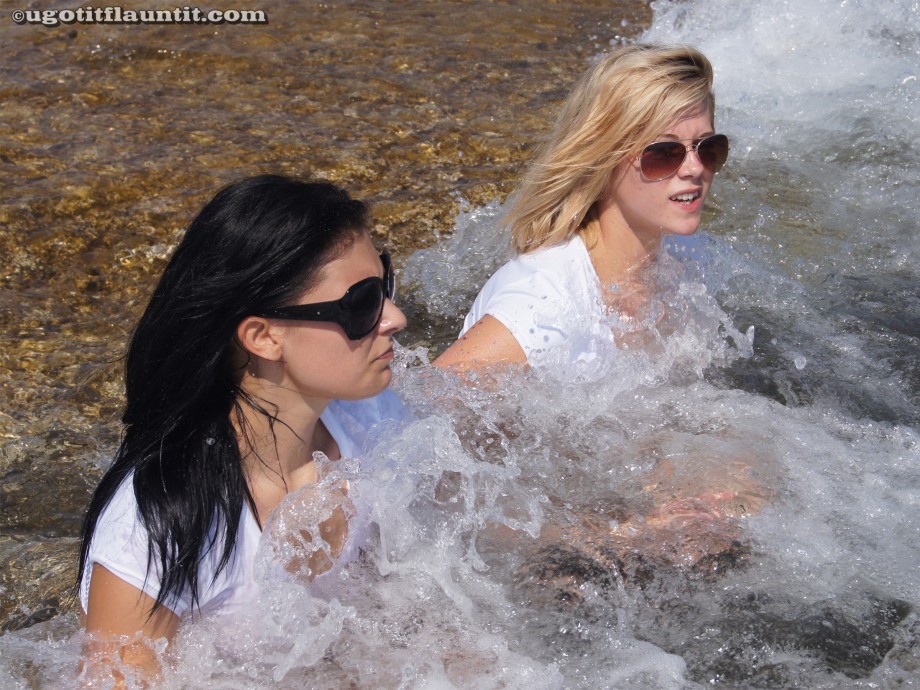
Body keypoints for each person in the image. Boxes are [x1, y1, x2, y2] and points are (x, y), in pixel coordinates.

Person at [76, 174, 407, 684]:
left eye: (384, 284)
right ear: (262, 337)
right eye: (361, 304)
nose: (396, 317)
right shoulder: (163, 522)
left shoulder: (372, 418)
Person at [434, 44, 729, 376]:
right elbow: (423, 404)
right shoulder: (544, 301)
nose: (694, 168)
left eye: (708, 148)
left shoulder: (684, 261)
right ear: (602, 158)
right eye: (665, 153)